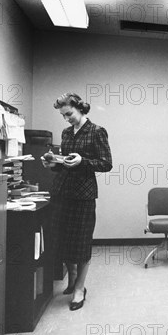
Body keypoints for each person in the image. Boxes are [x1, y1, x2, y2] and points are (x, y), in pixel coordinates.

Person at [42, 93, 112, 311]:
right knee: (61, 238)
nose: (67, 119)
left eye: (69, 114)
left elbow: (106, 163)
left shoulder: (96, 131)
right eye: (63, 116)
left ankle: (80, 288)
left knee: (81, 243)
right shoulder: (65, 133)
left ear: (80, 108)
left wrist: (83, 162)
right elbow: (65, 163)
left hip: (83, 195)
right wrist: (53, 163)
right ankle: (72, 276)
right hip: (62, 191)